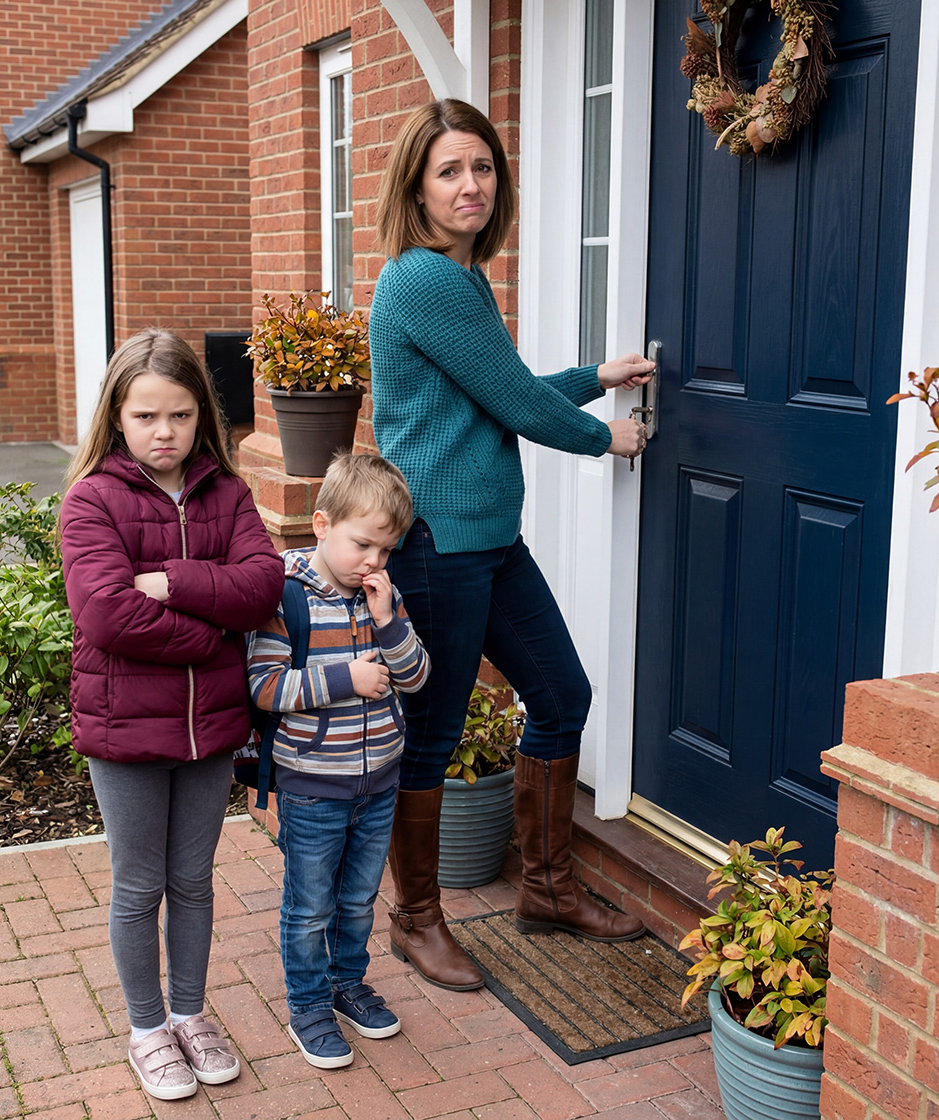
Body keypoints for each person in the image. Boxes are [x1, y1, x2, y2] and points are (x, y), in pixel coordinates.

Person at [368, 98, 654, 992]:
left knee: (561, 694)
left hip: (488, 541)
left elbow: (499, 386)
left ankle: (546, 888)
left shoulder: (458, 281)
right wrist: (607, 433)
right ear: (416, 183)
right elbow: (519, 407)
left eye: (483, 167)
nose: (471, 185)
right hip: (438, 544)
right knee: (433, 733)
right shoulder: (424, 280)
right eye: (450, 169)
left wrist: (592, 377)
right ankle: (414, 918)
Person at [60, 328, 284, 1101]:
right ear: (116, 417)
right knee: (139, 885)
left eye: (181, 416)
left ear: (203, 417)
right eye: (147, 416)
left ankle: (190, 1014)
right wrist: (217, 636)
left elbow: (262, 587)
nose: (165, 433)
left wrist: (176, 581)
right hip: (124, 731)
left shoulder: (228, 492)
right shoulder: (92, 499)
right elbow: (108, 617)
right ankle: (148, 1029)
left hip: (211, 730)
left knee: (193, 880)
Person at [247, 453, 431, 1069]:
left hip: (379, 781)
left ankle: (347, 983)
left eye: (386, 550)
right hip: (312, 786)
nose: (373, 563)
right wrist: (345, 678)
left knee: (358, 899)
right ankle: (307, 1004)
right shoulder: (286, 596)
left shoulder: (382, 595)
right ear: (322, 525)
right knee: (310, 904)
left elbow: (415, 676)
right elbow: (267, 687)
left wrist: (386, 620)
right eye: (362, 545)